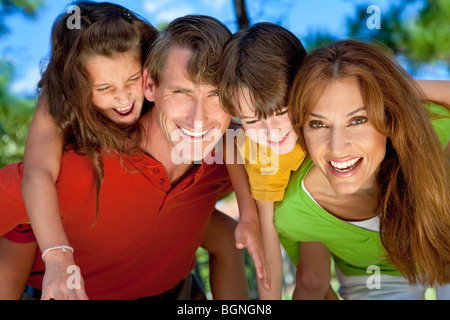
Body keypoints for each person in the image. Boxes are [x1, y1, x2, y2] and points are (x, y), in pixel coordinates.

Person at [0, 12, 248, 300]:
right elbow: (29, 189)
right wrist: (56, 253)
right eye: (182, 91)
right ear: (152, 85)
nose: (198, 118)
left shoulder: (230, 153)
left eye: (216, 95)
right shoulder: (71, 170)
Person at [277, 39, 450, 299]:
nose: (337, 148)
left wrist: (395, 90)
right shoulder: (295, 211)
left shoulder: (433, 134)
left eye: (358, 120)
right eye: (318, 124)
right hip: (374, 278)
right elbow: (312, 282)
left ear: (389, 117)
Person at [218, 22, 337, 300]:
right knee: (314, 280)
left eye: (281, 111)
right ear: (236, 116)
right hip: (306, 220)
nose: (271, 132)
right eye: (252, 121)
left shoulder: (332, 110)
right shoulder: (261, 154)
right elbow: (267, 234)